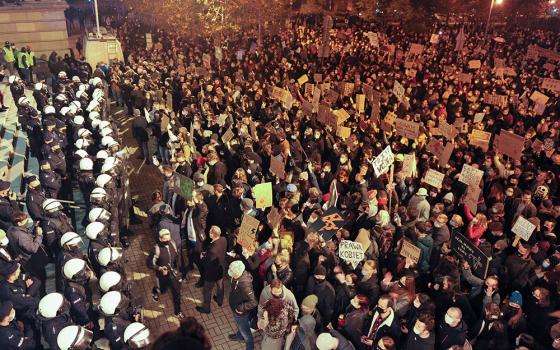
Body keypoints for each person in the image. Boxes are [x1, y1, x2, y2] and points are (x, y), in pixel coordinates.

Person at [148, 229, 184, 319]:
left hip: (172, 273)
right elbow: (149, 263)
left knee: (177, 293)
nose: (168, 241)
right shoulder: (156, 249)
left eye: (169, 238)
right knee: (162, 290)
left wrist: (178, 268)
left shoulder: (173, 243)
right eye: (165, 240)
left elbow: (176, 256)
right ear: (160, 239)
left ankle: (177, 312)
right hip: (162, 275)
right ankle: (155, 291)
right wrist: (160, 268)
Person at [227, 260, 258, 350]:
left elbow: (253, 302)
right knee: (242, 326)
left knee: (246, 333)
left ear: (237, 273)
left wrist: (240, 308)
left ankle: (250, 347)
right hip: (237, 309)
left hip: (241, 312)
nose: (230, 273)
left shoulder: (245, 285)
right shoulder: (237, 277)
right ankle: (239, 336)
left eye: (232, 271)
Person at [196, 225, 227, 314]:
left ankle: (206, 308)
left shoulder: (212, 250)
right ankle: (219, 300)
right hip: (220, 270)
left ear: (213, 234)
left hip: (211, 274)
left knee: (207, 291)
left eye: (210, 232)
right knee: (220, 286)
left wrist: (202, 257)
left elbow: (206, 263)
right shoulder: (224, 239)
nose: (208, 232)